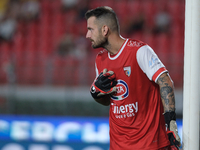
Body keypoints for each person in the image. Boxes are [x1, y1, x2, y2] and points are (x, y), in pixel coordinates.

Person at [85, 6, 181, 150]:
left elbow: (165, 81)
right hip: (118, 145)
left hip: (150, 144)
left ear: (105, 30)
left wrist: (171, 122)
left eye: (90, 29)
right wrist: (96, 94)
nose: (87, 35)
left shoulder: (139, 51)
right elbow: (109, 101)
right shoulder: (100, 60)